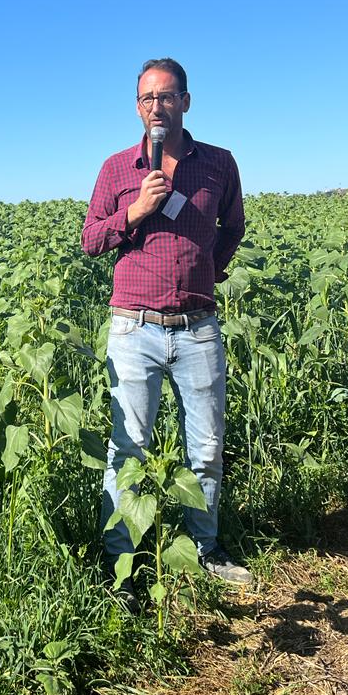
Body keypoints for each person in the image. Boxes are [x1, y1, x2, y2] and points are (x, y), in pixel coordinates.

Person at [81, 57, 251, 608]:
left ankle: (204, 548)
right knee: (127, 451)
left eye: (168, 95)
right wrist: (136, 210)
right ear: (137, 107)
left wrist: (212, 268)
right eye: (148, 98)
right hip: (133, 329)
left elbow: (234, 227)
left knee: (205, 448)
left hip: (198, 327)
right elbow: (91, 241)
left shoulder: (219, 164)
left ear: (186, 100)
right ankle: (121, 565)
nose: (158, 106)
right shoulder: (116, 169)